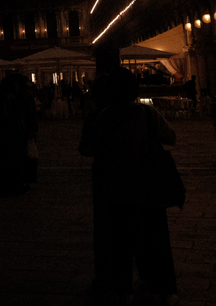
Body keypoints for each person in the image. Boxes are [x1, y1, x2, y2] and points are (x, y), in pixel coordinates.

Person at [80, 67, 178, 305]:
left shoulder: (104, 116)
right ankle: (166, 289)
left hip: (117, 187)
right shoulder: (146, 112)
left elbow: (88, 148)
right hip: (149, 185)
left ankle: (124, 290)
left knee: (120, 240)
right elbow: (171, 137)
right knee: (157, 238)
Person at [0, 73, 32, 194]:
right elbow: (6, 115)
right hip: (11, 132)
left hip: (6, 132)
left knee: (8, 160)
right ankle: (14, 185)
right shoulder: (9, 97)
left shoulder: (3, 96)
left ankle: (8, 185)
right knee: (13, 159)